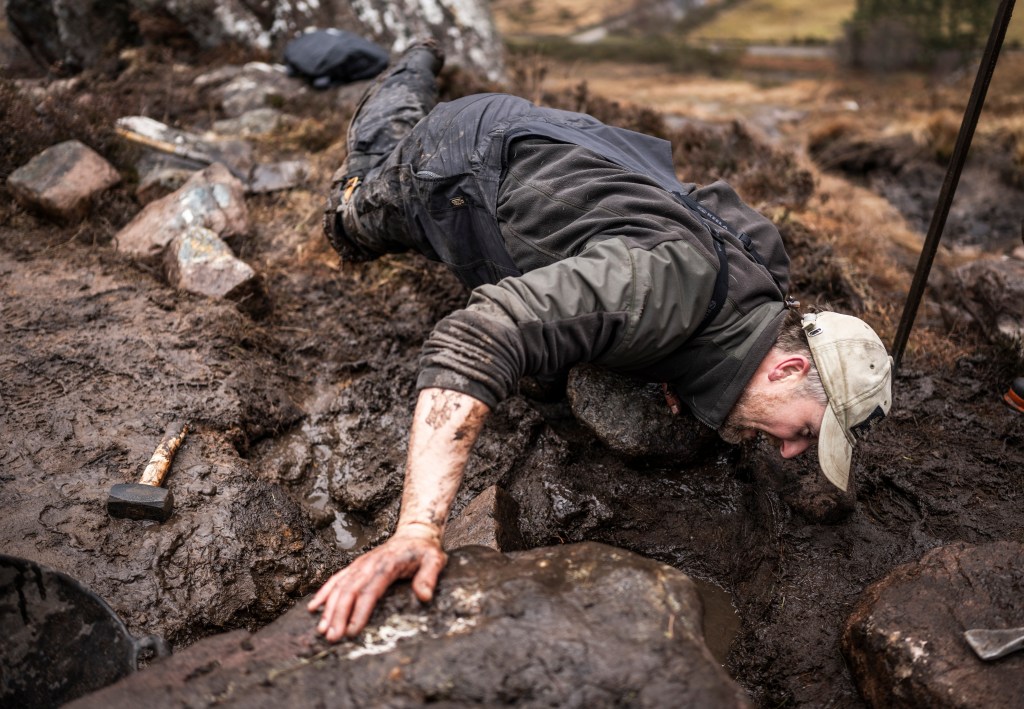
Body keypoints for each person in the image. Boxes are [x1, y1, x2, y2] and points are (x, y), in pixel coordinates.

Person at [308, 40, 894, 642]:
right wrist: (417, 532)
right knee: (350, 212)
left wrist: (691, 374)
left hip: (554, 139)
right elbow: (477, 336)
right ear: (786, 366)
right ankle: (410, 68)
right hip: (458, 160)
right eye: (805, 431)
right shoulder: (657, 284)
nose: (793, 452)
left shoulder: (765, 274)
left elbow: (714, 207)